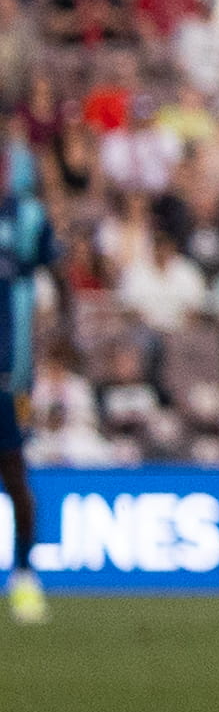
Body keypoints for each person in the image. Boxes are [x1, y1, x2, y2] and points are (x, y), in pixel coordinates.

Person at [1, 132, 50, 627]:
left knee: (15, 475)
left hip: (6, 378)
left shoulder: (28, 216)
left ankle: (24, 577)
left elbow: (51, 276)